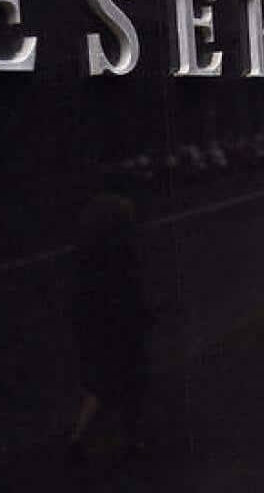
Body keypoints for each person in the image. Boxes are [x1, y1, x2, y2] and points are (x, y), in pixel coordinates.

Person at [69, 194, 149, 463]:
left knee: (102, 387)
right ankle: (133, 442)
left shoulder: (88, 257)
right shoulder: (122, 256)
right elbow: (130, 295)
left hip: (97, 330)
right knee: (131, 385)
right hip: (121, 330)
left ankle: (79, 440)